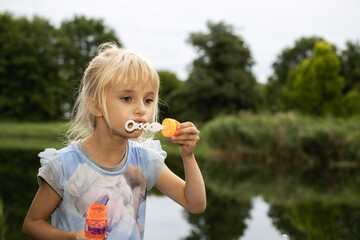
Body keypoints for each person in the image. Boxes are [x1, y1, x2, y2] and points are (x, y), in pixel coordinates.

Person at [22, 42, 206, 240]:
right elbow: (32, 225)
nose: (142, 110)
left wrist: (188, 156)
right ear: (96, 106)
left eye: (148, 100)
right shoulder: (64, 166)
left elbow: (195, 204)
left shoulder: (144, 160)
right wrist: (73, 237)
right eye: (127, 98)